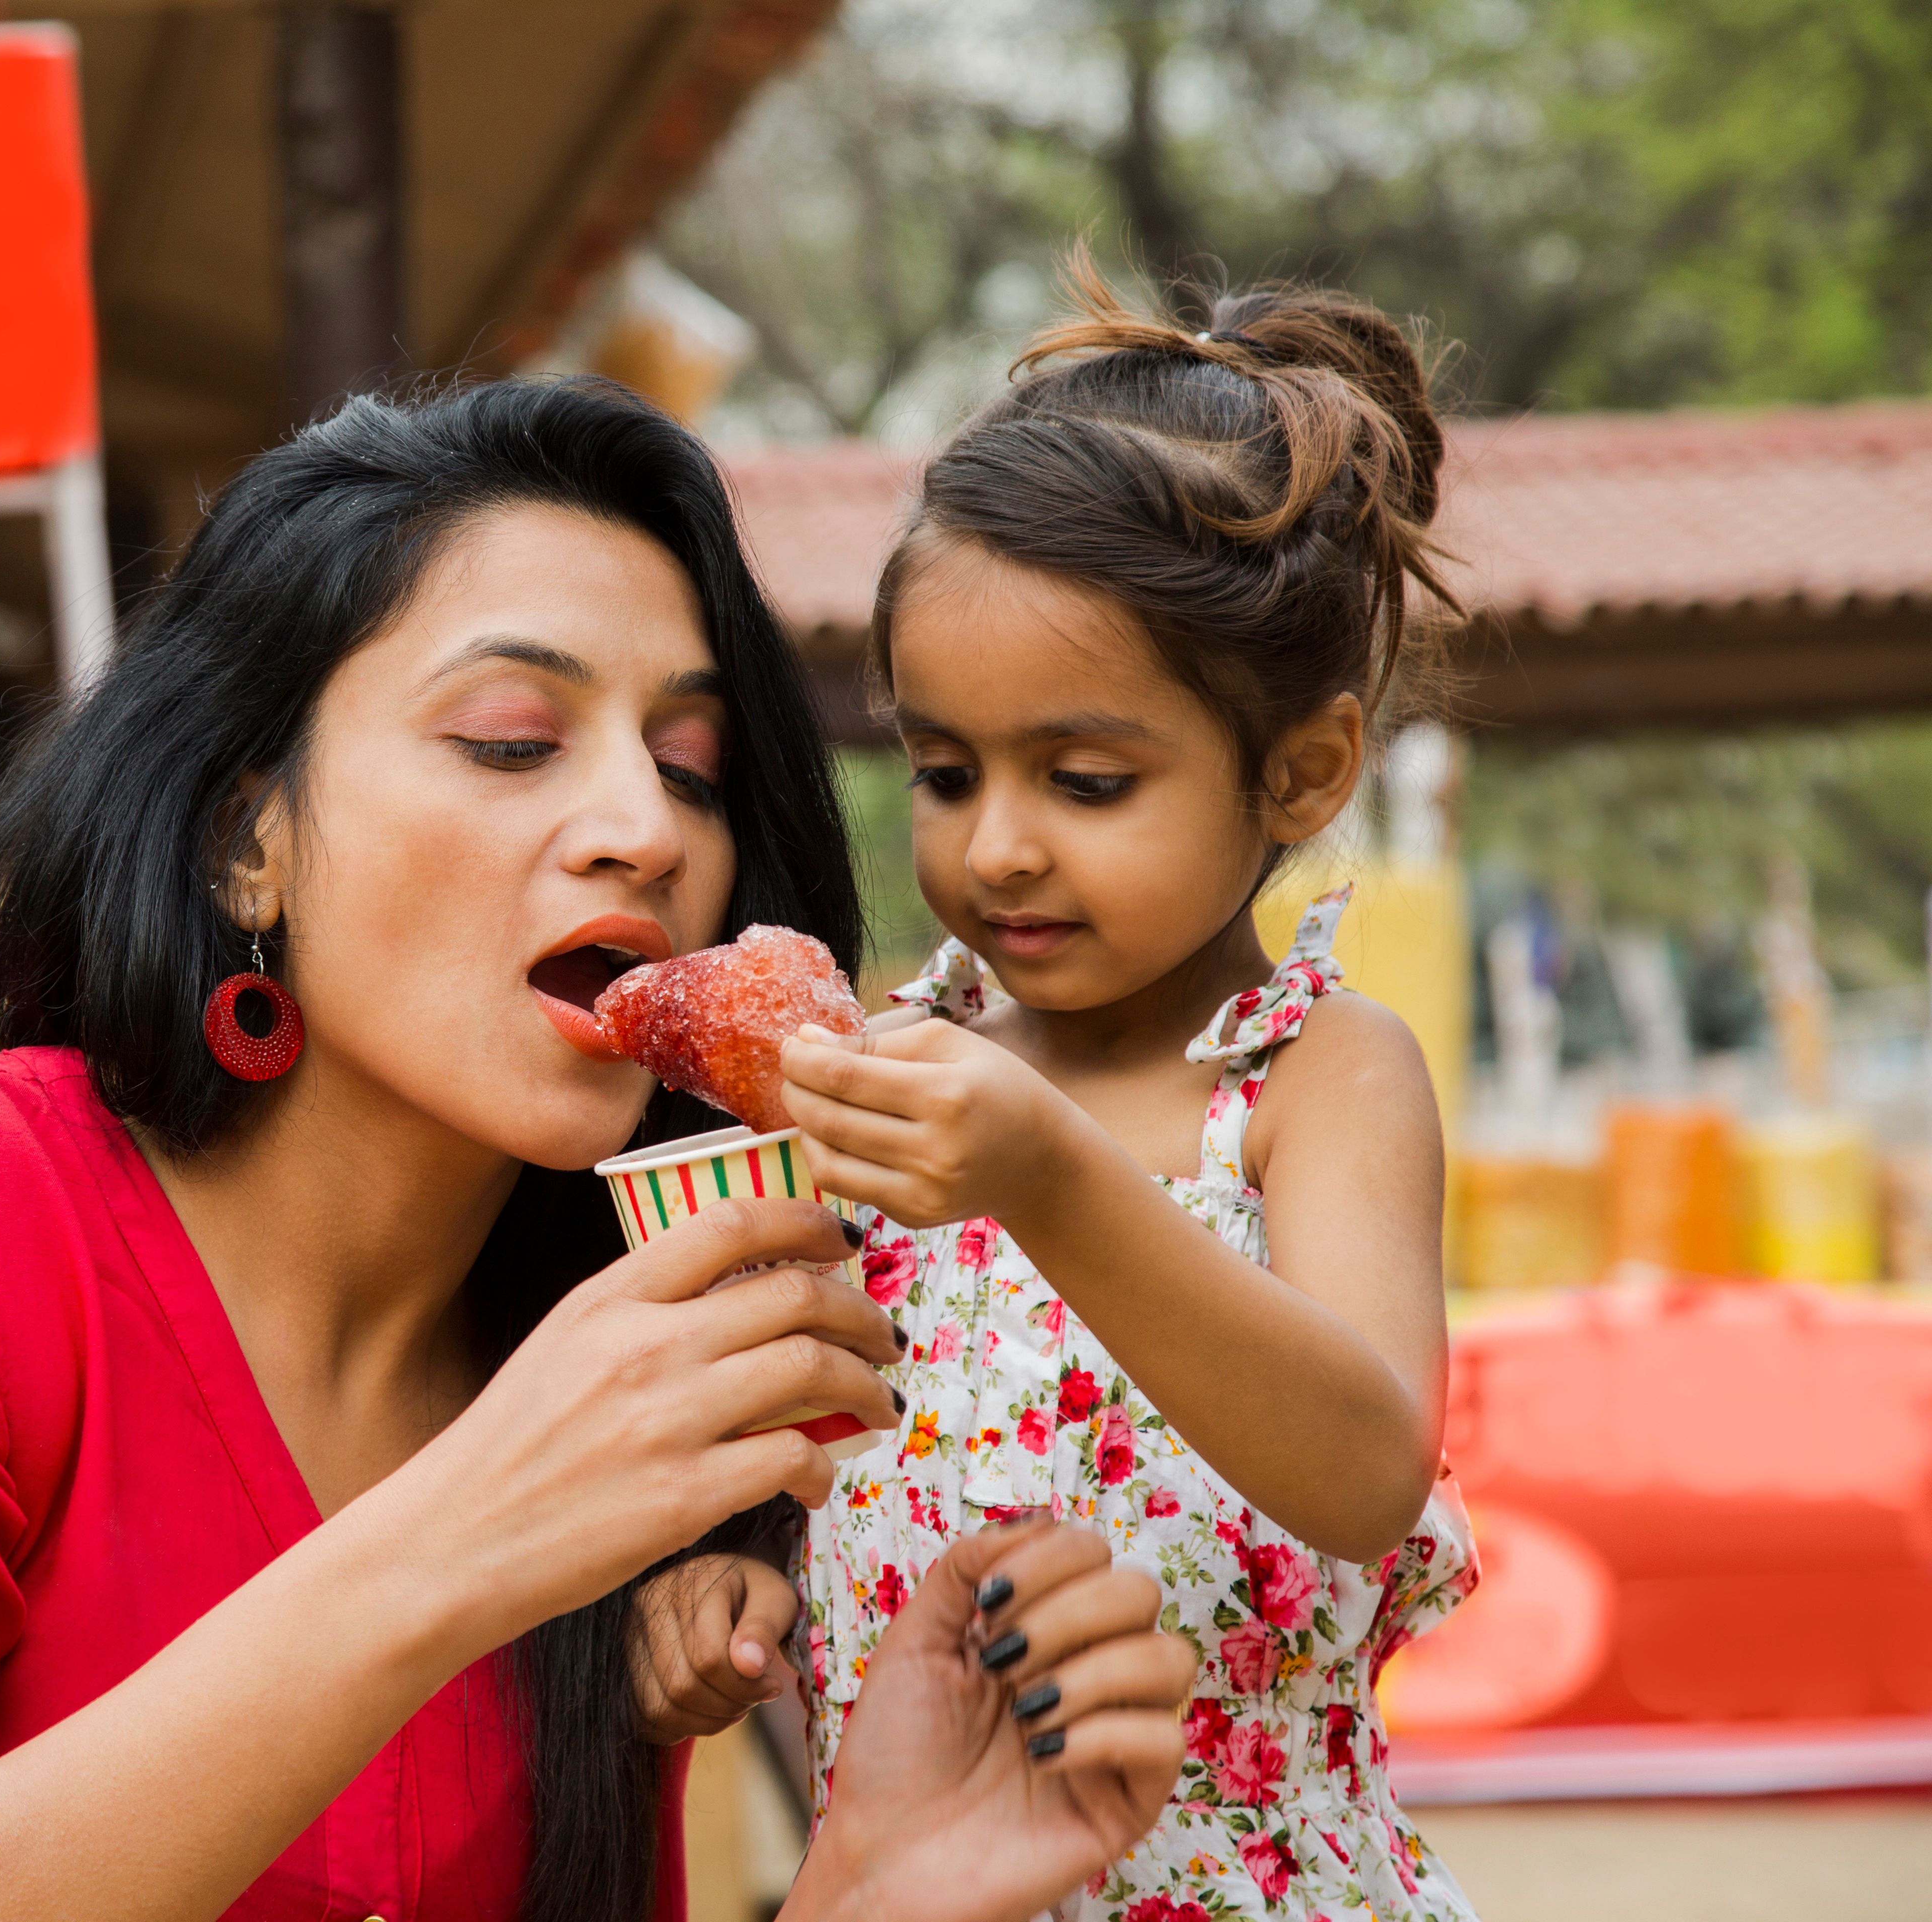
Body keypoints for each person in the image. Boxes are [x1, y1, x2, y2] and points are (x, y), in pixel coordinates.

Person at [0, 378, 1191, 1922]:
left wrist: (869, 1892)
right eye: (513, 740)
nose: (645, 829)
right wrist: (458, 1543)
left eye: (691, 767)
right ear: (252, 841)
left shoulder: (606, 1373)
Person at [630, 269, 1481, 1918]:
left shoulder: (1315, 1074)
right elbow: (796, 1425)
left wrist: (1055, 1175)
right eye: (945, 773)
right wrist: (716, 1584)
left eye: (1086, 781)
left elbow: (1369, 1469)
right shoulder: (891, 1068)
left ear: (1299, 770)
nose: (997, 844)